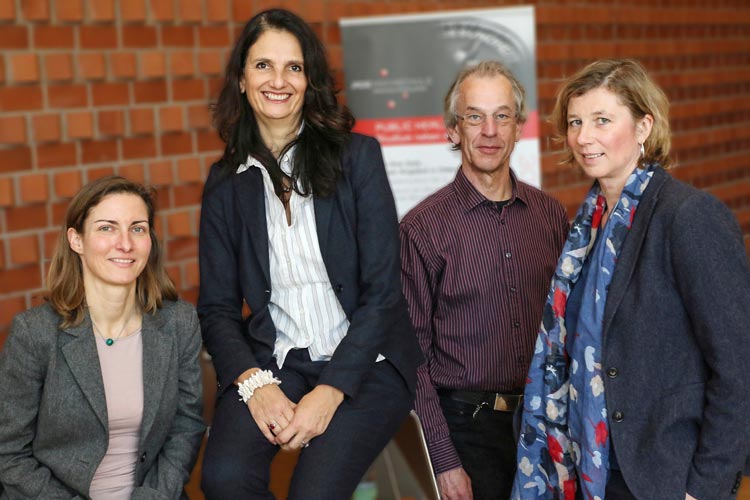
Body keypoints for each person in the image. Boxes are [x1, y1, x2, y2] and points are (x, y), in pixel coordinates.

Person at [197, 8, 422, 500]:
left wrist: (331, 389)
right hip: (277, 360)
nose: (278, 81)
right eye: (263, 66)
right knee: (224, 478)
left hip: (368, 359)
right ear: (240, 78)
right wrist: (255, 384)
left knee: (313, 493)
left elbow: (384, 293)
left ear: (310, 80)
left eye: (293, 67)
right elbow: (215, 309)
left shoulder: (357, 158)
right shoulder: (223, 185)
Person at [512, 58, 750, 500]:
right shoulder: (585, 229)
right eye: (576, 122)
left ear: (644, 126)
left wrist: (705, 487)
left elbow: (739, 365)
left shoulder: (687, 217)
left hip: (663, 476)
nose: (585, 137)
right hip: (589, 468)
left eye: (603, 120)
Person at [400, 60, 569, 500]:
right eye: (474, 116)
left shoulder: (551, 217)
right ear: (453, 131)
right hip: (466, 431)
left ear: (519, 127)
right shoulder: (421, 229)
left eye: (502, 116)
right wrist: (443, 460)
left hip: (545, 422)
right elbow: (410, 356)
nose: (489, 131)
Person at [0, 176, 205, 499]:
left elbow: (187, 426)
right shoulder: (35, 333)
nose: (125, 243)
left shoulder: (179, 322)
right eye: (107, 228)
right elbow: (9, 454)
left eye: (137, 228)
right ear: (76, 240)